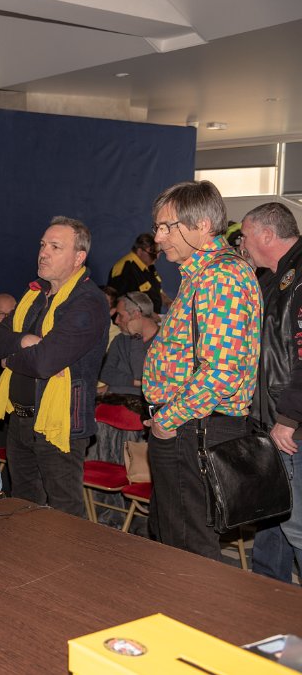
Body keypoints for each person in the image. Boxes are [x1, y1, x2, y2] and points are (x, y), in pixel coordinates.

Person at [142, 181, 262, 560]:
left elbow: (222, 371)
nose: (158, 238)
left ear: (203, 226)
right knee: (172, 539)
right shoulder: (201, 274)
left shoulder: (220, 277)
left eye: (168, 227)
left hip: (195, 428)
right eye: (157, 227)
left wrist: (167, 420)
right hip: (188, 425)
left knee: (189, 551)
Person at [0, 216, 110, 517]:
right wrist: (25, 340)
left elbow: (44, 362)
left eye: (55, 247)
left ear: (78, 258)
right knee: (24, 510)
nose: (44, 253)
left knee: (63, 517)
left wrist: (11, 359)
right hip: (20, 421)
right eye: (43, 245)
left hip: (60, 424)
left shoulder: (88, 302)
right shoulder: (34, 294)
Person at [238, 201, 302, 583]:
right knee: (271, 523)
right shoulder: (269, 280)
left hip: (290, 428)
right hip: (269, 423)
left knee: (297, 526)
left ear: (266, 234)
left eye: (244, 236)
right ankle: (265, 604)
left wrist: (288, 418)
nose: (241, 244)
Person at [98, 292, 157, 397]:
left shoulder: (164, 342)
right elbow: (105, 374)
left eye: (120, 315)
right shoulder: (120, 339)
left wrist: (136, 337)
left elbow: (140, 374)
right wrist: (135, 382)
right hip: (113, 398)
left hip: (141, 402)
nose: (116, 321)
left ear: (136, 315)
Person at [108, 233, 171, 313]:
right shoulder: (126, 268)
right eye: (153, 253)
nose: (157, 257)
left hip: (151, 318)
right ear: (140, 251)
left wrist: (168, 302)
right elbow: (117, 302)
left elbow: (157, 291)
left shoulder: (149, 266)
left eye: (158, 253)